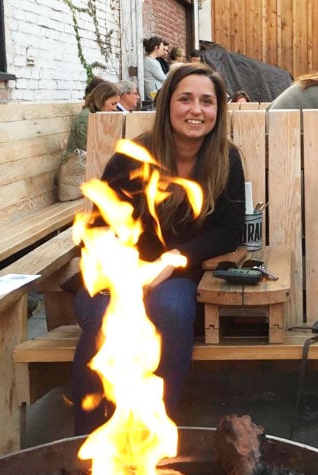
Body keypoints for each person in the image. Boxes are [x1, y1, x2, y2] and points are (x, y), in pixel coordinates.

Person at [72, 63, 246, 435]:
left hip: (177, 274)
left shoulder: (225, 160)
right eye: (185, 99)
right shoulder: (133, 157)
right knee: (106, 314)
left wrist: (173, 259)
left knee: (170, 309)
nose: (196, 110)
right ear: (167, 104)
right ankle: (86, 439)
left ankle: (154, 433)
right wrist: (127, 273)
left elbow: (230, 231)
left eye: (206, 101)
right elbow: (101, 226)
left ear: (218, 110)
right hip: (115, 271)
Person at [66, 81, 120, 154]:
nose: (115, 108)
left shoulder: (101, 116)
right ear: (101, 100)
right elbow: (87, 147)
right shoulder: (85, 117)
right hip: (77, 161)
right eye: (113, 104)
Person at [143, 36, 167, 102]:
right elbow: (163, 78)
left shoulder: (152, 60)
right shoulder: (150, 62)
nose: (163, 51)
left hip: (154, 94)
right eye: (162, 48)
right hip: (154, 95)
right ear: (156, 47)